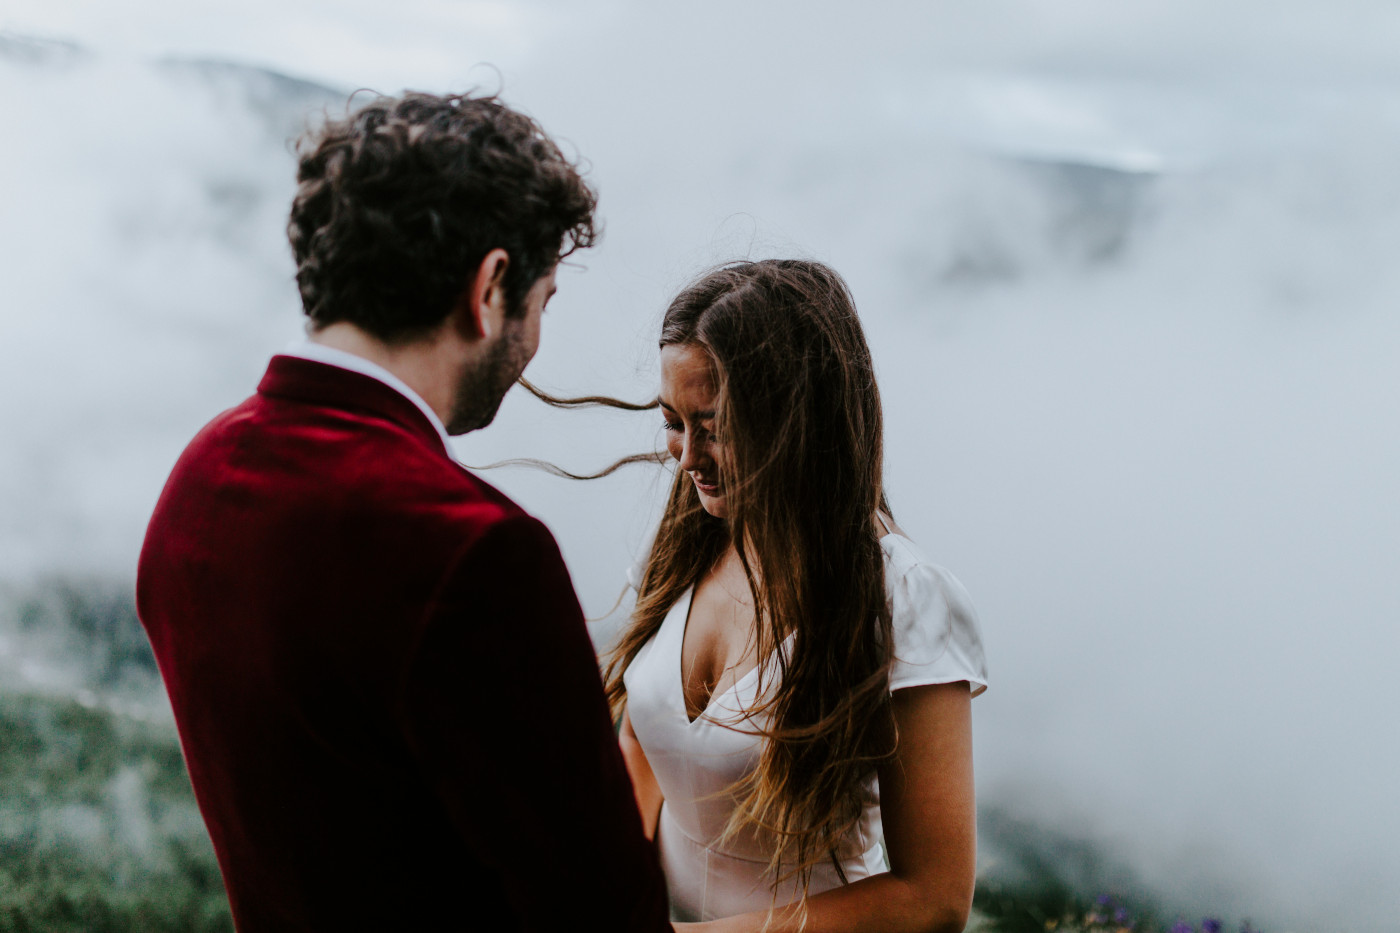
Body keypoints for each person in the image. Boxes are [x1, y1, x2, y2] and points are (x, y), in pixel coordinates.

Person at [137, 92, 671, 931]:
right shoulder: (476, 552)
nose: (535, 343)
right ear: (490, 286)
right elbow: (607, 911)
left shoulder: (198, 478)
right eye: (544, 301)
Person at [604, 260, 988, 931]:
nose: (686, 456)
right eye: (673, 420)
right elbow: (642, 741)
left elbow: (934, 897)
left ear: (798, 417)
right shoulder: (691, 537)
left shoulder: (903, 597)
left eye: (716, 426)